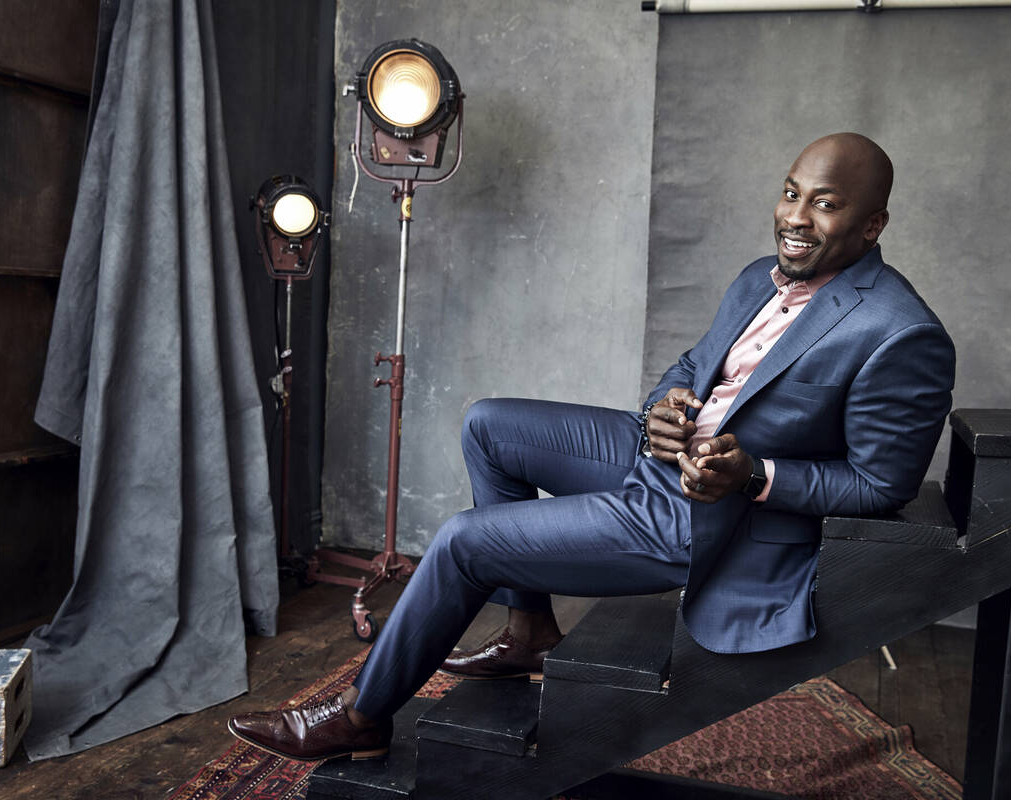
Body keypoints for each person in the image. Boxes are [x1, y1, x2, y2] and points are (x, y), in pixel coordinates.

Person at [228, 132, 956, 761]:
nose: (795, 217)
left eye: (825, 204)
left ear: (872, 224)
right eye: (792, 193)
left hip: (708, 520)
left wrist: (753, 474)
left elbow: (881, 484)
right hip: (661, 462)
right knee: (490, 423)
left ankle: (360, 718)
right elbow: (689, 369)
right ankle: (530, 631)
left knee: (463, 542)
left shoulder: (900, 332)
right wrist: (661, 410)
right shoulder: (757, 280)